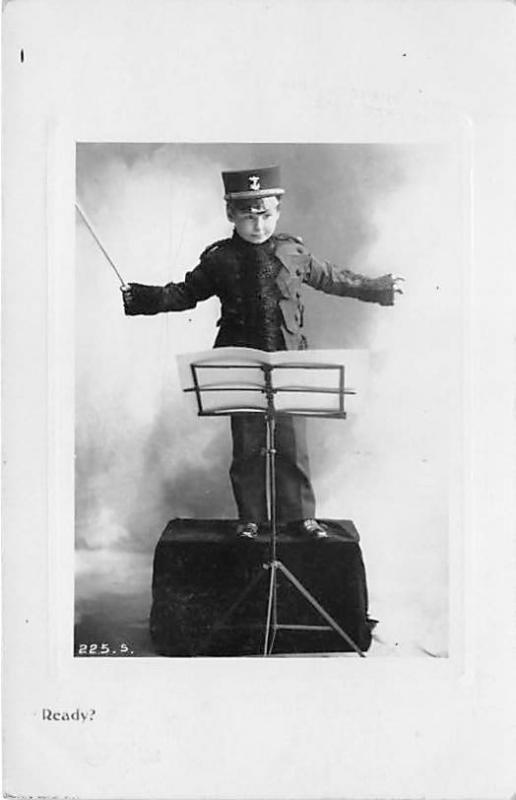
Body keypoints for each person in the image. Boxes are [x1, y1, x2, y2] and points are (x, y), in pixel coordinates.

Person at [122, 165, 403, 539]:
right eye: (249, 217)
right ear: (231, 215)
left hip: (290, 364)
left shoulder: (292, 252)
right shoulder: (219, 260)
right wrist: (141, 297)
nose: (259, 226)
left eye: (267, 215)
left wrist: (378, 288)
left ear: (279, 212)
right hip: (240, 367)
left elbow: (333, 278)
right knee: (248, 448)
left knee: (292, 447)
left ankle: (299, 518)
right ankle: (250, 519)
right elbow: (183, 294)